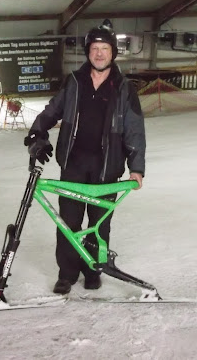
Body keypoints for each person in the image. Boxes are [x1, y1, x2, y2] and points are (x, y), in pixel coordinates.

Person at [24, 20, 146, 295]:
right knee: (68, 222)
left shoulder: (124, 89)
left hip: (107, 168)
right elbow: (52, 110)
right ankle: (66, 274)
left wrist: (136, 167)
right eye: (95, 48)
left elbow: (134, 130)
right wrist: (37, 134)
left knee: (99, 225)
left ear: (113, 53)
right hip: (74, 165)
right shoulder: (75, 82)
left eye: (105, 48)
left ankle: (93, 270)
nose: (99, 53)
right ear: (88, 51)